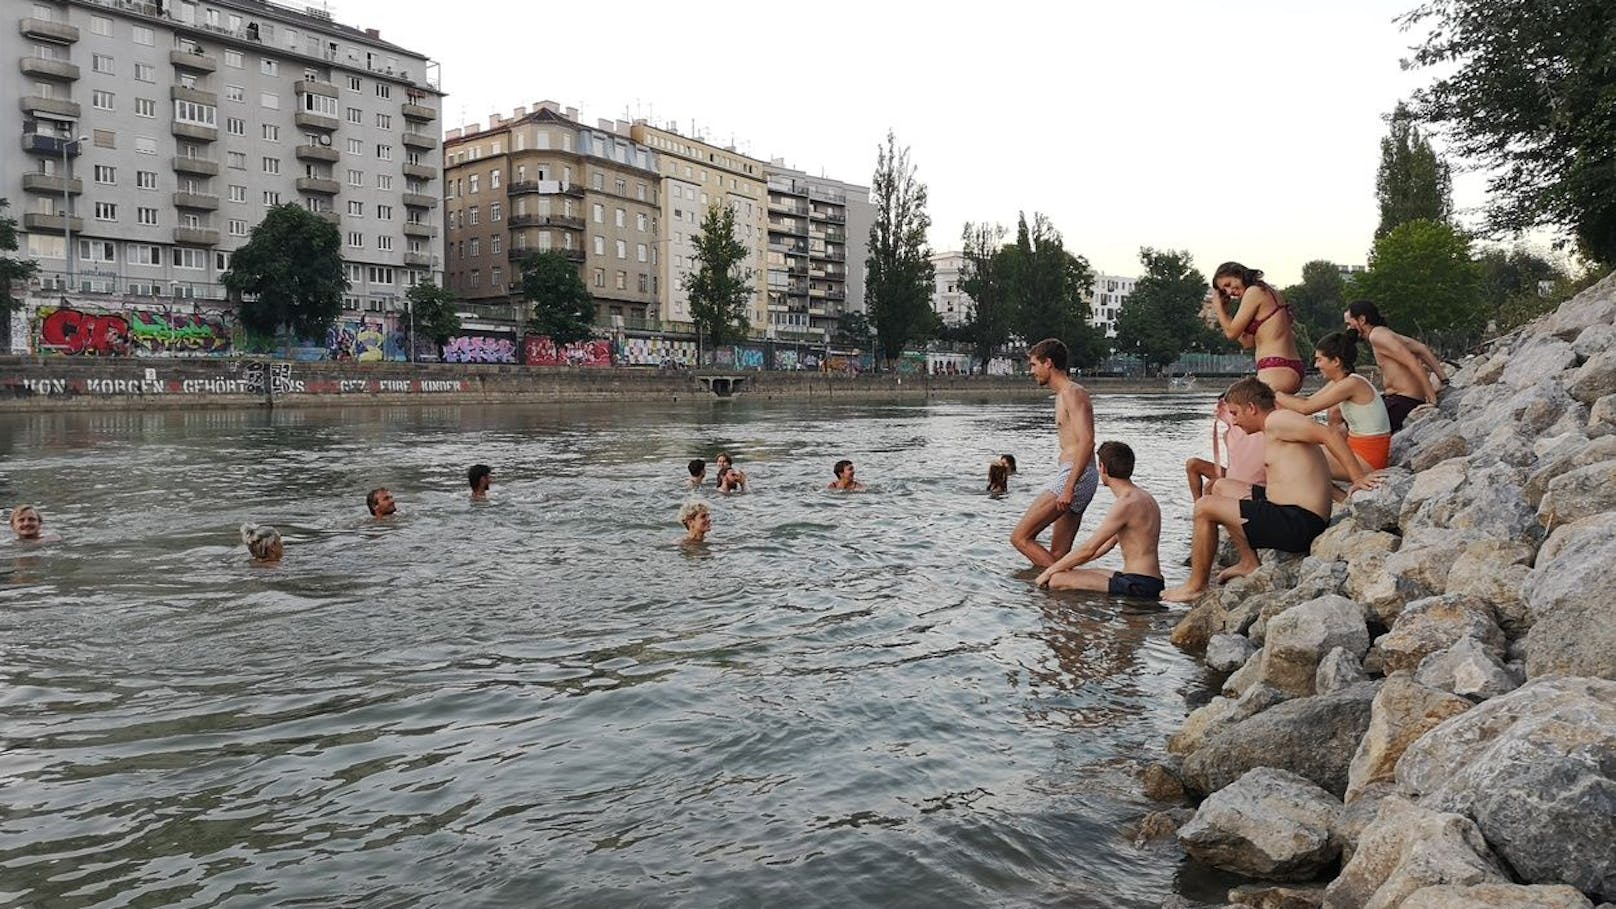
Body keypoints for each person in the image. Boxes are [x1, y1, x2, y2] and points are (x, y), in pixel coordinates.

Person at [1163, 378, 1380, 603]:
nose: (1234, 422)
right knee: (1220, 486)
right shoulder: (1274, 425)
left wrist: (1358, 478)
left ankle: (1195, 586)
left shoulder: (1279, 420)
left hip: (1298, 522)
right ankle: (1249, 562)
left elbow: (1330, 434)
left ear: (1251, 408)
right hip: (1289, 513)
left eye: (1235, 413)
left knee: (1204, 507)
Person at [1035, 441, 1164, 600]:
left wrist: (1048, 571)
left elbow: (1088, 548)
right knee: (1069, 573)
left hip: (1139, 585)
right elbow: (1105, 546)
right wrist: (1068, 566)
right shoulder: (1144, 497)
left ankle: (1078, 620)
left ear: (1103, 468)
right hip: (1148, 580)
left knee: (1056, 580)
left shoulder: (1126, 503)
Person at [1010, 338, 1099, 569]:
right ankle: (1059, 601)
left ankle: (1065, 580)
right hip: (1079, 474)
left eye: (1033, 365)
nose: (1031, 371)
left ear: (1047, 363)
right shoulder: (1062, 394)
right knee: (1058, 554)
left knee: (1020, 537)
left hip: (1076, 475)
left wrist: (1069, 486)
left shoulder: (1072, 393)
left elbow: (1087, 441)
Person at [1276, 331, 1393, 480]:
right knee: (1300, 448)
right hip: (1357, 451)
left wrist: (1275, 393)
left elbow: (1306, 408)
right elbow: (1308, 400)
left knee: (1295, 453)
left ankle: (1339, 499)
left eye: (1319, 359)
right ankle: (1342, 499)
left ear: (1336, 361)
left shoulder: (1352, 384)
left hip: (1368, 461)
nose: (1316, 365)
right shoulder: (1343, 382)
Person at [1203, 262, 1306, 395]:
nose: (1229, 292)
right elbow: (1247, 342)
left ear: (1238, 274)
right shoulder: (1266, 291)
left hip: (1275, 368)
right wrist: (1226, 312)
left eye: (1228, 284)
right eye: (1224, 291)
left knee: (1234, 409)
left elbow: (1231, 334)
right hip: (1288, 367)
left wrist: (1218, 309)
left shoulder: (1253, 292)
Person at [1344, 300, 1445, 432]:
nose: (1348, 329)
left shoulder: (1378, 336)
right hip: (1399, 399)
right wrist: (1444, 379)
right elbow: (1421, 348)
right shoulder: (1384, 332)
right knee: (1347, 416)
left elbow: (1414, 364)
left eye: (1349, 324)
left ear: (1362, 319)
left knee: (1345, 428)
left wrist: (1432, 401)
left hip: (1403, 402)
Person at [1185, 394, 1268, 502]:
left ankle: (1206, 510)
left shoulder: (1257, 426)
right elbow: (1234, 463)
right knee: (1193, 464)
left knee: (1212, 486)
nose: (1219, 411)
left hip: (1254, 483)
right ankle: (1198, 506)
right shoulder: (1228, 434)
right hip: (1235, 475)